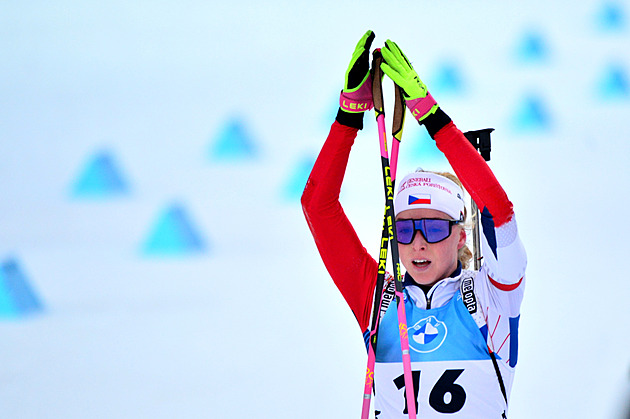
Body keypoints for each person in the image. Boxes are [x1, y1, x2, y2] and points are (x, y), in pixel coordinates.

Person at [301, 30, 527, 418]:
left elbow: (499, 212)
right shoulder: (378, 299)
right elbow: (317, 206)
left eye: (434, 228)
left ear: (460, 235)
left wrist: (433, 118)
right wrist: (348, 115)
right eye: (405, 230)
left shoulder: (492, 294)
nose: (418, 243)